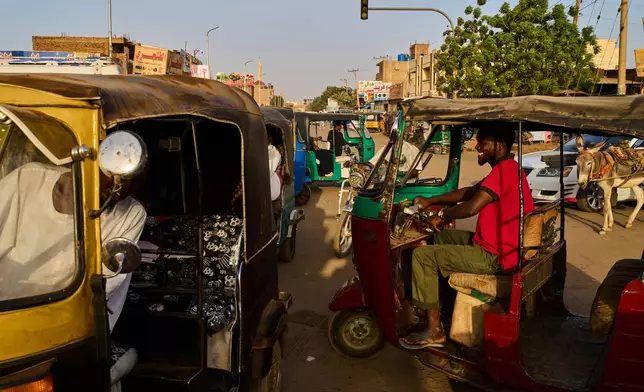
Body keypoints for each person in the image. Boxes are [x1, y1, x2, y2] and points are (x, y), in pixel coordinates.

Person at [399, 126, 534, 349]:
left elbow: (471, 207)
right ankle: (436, 304)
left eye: (484, 142)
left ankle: (433, 330)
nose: (477, 146)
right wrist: (431, 201)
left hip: (496, 255)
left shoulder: (505, 171)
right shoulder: (506, 169)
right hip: (496, 246)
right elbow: (468, 193)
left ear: (500, 146)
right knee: (439, 238)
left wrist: (442, 214)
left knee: (423, 257)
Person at [0, 161, 146, 331]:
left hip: (66, 326)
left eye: (134, 181)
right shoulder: (29, 178)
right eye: (118, 177)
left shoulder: (131, 214)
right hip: (6, 310)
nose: (121, 189)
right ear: (95, 162)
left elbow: (106, 282)